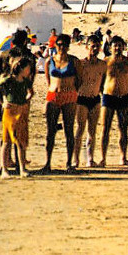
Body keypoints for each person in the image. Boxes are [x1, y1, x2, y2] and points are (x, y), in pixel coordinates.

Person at [42, 34, 80, 173]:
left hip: (69, 96)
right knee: (50, 131)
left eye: (64, 44)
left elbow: (79, 80)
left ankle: (69, 163)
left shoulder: (74, 61)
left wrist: (70, 90)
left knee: (68, 130)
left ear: (68, 46)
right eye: (59, 44)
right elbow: (48, 79)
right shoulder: (49, 61)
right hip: (53, 95)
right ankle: (47, 163)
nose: (61, 47)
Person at [98, 36, 128, 167]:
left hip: (123, 98)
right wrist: (102, 92)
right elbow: (100, 80)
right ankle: (103, 158)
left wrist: (127, 91)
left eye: (120, 45)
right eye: (115, 46)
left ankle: (123, 157)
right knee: (105, 128)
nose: (117, 48)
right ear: (110, 47)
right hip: (108, 97)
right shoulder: (105, 62)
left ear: (123, 47)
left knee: (123, 129)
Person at [0, 57, 34, 178]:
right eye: (28, 68)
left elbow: (31, 92)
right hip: (10, 111)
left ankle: (22, 168)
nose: (29, 70)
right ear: (22, 68)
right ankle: (4, 169)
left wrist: (26, 100)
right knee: (6, 141)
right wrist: (2, 102)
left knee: (20, 140)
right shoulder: (9, 80)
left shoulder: (26, 81)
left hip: (20, 110)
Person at [73, 35, 106, 168]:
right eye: (93, 46)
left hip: (95, 98)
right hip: (82, 99)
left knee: (92, 131)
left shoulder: (102, 65)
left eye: (97, 46)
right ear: (87, 47)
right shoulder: (81, 64)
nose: (95, 48)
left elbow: (102, 83)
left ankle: (90, 159)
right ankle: (75, 159)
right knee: (80, 129)